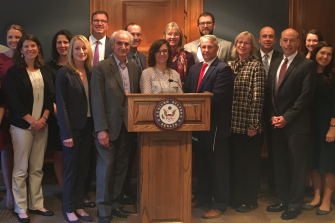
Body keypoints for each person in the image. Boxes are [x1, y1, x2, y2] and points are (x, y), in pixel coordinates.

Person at [265, 28, 317, 220]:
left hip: (296, 125)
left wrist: (286, 117)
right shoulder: (276, 62)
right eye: (285, 40)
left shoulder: (307, 65)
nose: (288, 44)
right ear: (280, 42)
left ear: (298, 42)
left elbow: (305, 97)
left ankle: (294, 205)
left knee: (296, 167)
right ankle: (283, 200)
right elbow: (270, 93)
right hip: (276, 123)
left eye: (292, 41)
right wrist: (273, 116)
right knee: (280, 165)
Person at [90, 30, 141, 223]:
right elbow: (97, 100)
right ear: (112, 44)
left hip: (128, 128)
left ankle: (116, 205)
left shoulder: (135, 68)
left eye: (126, 44)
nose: (123, 47)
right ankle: (103, 211)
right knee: (106, 170)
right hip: (108, 129)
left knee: (121, 168)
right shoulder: (101, 68)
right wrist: (101, 129)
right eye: (119, 43)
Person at [184, 34, 234, 219]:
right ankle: (203, 196)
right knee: (202, 165)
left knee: (218, 167)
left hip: (216, 128)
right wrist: (203, 96)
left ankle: (219, 203)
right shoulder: (195, 68)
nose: (206, 50)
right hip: (198, 126)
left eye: (209, 47)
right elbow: (187, 92)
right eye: (203, 47)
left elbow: (218, 97)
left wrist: (202, 98)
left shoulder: (223, 69)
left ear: (216, 49)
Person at [6, 34, 54, 223]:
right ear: (20, 50)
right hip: (22, 127)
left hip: (42, 125)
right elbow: (15, 102)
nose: (30, 49)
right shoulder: (13, 72)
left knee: (37, 168)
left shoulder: (46, 70)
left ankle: (37, 203)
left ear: (39, 48)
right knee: (21, 168)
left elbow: (50, 96)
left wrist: (42, 119)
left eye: (33, 45)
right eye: (25, 46)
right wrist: (32, 121)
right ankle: (21, 207)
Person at [56, 35, 94, 223]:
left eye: (84, 48)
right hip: (72, 130)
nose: (81, 52)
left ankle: (79, 205)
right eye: (77, 48)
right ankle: (69, 208)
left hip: (88, 128)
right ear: (71, 51)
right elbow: (61, 106)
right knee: (71, 170)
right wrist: (66, 133)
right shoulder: (65, 73)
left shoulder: (91, 72)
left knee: (83, 169)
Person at [228, 31, 265, 212]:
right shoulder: (231, 65)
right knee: (235, 163)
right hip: (232, 124)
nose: (242, 46)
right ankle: (236, 198)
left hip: (247, 125)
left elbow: (258, 98)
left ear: (252, 47)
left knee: (249, 165)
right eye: (239, 42)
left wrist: (253, 124)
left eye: (246, 43)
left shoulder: (256, 67)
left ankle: (249, 200)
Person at [303, 41, 335, 215]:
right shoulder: (308, 73)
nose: (325, 57)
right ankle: (316, 196)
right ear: (315, 53)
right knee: (314, 162)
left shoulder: (333, 75)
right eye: (322, 53)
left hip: (328, 126)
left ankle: (327, 200)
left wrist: (333, 127)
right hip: (310, 125)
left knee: (328, 164)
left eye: (329, 54)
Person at [0, 24, 25, 210]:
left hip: (25, 114)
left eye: (17, 37)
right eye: (10, 37)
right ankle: (10, 192)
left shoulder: (29, 58)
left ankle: (23, 193)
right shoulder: (0, 59)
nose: (13, 41)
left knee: (24, 155)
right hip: (4, 113)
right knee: (7, 152)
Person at [122, 22, 146, 204]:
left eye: (138, 34)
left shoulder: (143, 58)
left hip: (139, 114)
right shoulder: (118, 58)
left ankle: (129, 189)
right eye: (132, 34)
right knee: (122, 157)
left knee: (132, 155)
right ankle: (121, 191)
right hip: (123, 115)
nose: (135, 38)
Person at [257, 26, 282, 197]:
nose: (267, 39)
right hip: (255, 111)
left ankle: (275, 189)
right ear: (259, 39)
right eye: (264, 36)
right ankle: (254, 188)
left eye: (271, 36)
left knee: (276, 152)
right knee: (253, 151)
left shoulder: (282, 58)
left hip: (275, 111)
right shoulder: (250, 56)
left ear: (275, 40)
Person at [46, 29, 73, 190]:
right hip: (57, 119)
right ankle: (65, 191)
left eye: (65, 42)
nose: (62, 45)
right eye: (59, 42)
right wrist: (62, 120)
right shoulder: (48, 68)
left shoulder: (77, 65)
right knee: (59, 155)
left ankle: (75, 190)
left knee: (75, 156)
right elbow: (50, 96)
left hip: (77, 119)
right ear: (54, 45)